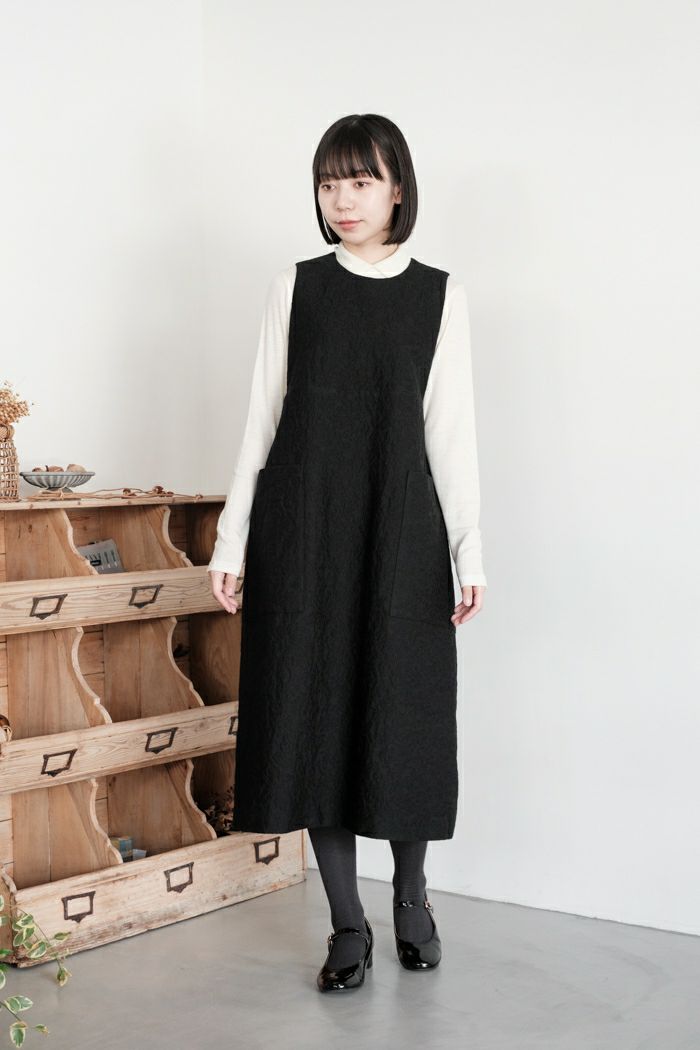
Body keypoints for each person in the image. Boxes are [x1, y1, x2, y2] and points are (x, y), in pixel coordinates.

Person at [208, 113, 487, 992]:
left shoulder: (440, 294)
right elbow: (261, 419)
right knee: (311, 714)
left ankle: (409, 896)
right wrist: (232, 538)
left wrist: (469, 553)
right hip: (304, 532)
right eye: (329, 184)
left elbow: (451, 434)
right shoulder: (296, 287)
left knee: (404, 714)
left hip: (401, 532)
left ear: (398, 188)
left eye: (360, 181)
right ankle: (346, 924)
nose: (342, 200)